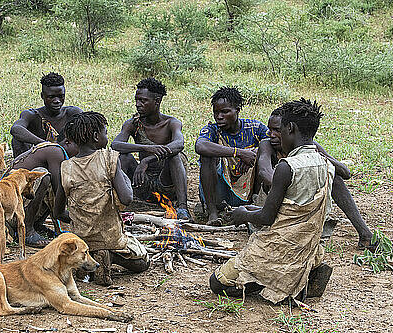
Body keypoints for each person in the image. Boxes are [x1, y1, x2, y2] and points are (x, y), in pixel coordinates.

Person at [209, 98, 335, 303]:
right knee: (299, 253)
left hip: (278, 248)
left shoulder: (288, 166)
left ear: (290, 129)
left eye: (281, 130)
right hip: (308, 247)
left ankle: (273, 282)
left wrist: (243, 214)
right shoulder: (327, 164)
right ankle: (306, 271)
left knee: (217, 283)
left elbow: (267, 217)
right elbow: (291, 208)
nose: (276, 135)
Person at [256, 107, 374, 249]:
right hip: (274, 202)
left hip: (302, 202)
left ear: (290, 130)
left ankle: (364, 233)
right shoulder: (267, 145)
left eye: (277, 130)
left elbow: (345, 172)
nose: (272, 135)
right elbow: (265, 172)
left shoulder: (309, 147)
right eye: (270, 130)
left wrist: (320, 159)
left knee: (335, 177)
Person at [54, 112, 149, 286]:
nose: (107, 136)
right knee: (143, 262)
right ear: (96, 137)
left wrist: (81, 219)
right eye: (105, 132)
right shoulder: (109, 158)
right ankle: (109, 256)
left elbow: (57, 212)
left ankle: (86, 262)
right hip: (110, 238)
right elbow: (127, 198)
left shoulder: (65, 168)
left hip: (81, 241)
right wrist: (125, 179)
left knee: (81, 254)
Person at [111, 78, 190, 220]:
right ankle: (122, 201)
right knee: (123, 157)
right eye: (137, 100)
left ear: (157, 101)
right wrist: (145, 147)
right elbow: (115, 145)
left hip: (166, 183)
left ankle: (183, 207)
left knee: (174, 156)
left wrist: (148, 159)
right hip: (143, 182)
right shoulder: (134, 123)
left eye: (143, 101)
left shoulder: (171, 123)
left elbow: (179, 144)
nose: (137, 105)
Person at [195, 86, 269, 225]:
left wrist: (253, 153)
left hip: (247, 191)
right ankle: (212, 212)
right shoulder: (212, 130)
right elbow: (200, 146)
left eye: (225, 112)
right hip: (220, 193)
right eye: (216, 112)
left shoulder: (255, 128)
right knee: (207, 156)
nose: (219, 117)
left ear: (238, 110)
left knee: (263, 155)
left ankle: (256, 205)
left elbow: (272, 143)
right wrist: (239, 153)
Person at [3, 139, 79, 247]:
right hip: (8, 215)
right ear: (68, 142)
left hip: (15, 210)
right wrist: (80, 217)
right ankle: (27, 230)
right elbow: (60, 193)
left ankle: (36, 225)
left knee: (52, 184)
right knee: (43, 176)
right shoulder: (56, 152)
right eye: (80, 147)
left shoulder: (54, 150)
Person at [10, 72, 83, 157]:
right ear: (42, 96)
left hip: (68, 159)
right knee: (17, 139)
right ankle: (20, 168)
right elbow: (16, 129)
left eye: (61, 96)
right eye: (51, 97)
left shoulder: (72, 113)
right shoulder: (32, 115)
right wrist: (45, 144)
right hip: (39, 161)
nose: (57, 101)